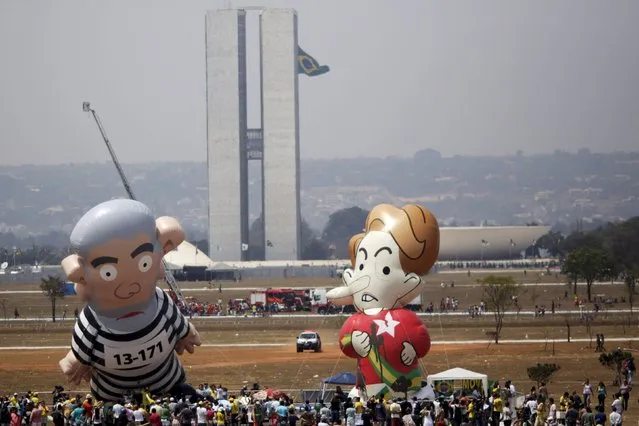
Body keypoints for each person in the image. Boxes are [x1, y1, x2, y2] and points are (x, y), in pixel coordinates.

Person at [57, 199, 202, 402]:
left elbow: (177, 322)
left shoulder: (160, 301)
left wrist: (185, 332)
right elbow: (81, 351)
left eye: (144, 262)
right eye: (108, 271)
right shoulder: (93, 320)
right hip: (113, 391)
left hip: (164, 380)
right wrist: (77, 360)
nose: (129, 285)